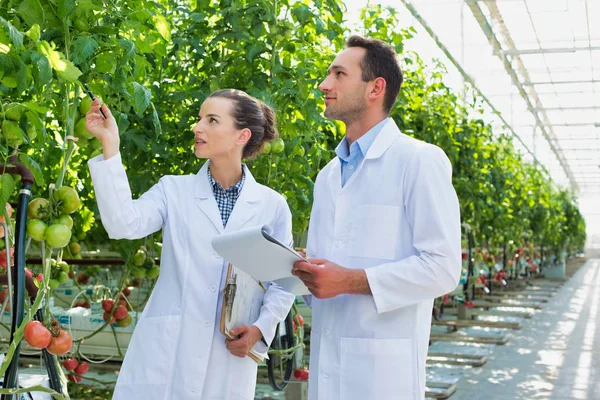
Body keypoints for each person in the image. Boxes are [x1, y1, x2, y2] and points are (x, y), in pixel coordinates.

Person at [86, 89, 295, 399]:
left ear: (242, 135)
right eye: (199, 118)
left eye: (211, 120)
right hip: (168, 352)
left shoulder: (271, 206)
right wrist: (110, 144)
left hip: (229, 355)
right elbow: (122, 223)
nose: (197, 127)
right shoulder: (173, 190)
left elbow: (284, 281)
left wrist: (261, 329)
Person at [291, 36, 461, 400]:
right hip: (327, 365)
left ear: (375, 88)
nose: (324, 84)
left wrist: (350, 281)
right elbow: (328, 273)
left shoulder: (418, 161)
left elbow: (443, 268)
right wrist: (303, 270)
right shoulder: (327, 176)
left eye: (339, 74)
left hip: (384, 372)